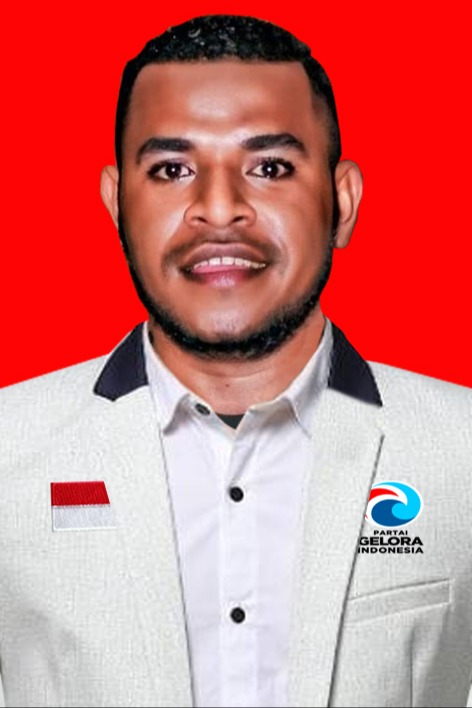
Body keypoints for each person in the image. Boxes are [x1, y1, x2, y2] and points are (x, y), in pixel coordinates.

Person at [0, 13, 471, 708]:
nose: (219, 210)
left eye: (269, 167)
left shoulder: (461, 450)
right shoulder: (8, 448)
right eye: (173, 170)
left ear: (342, 202)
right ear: (117, 204)